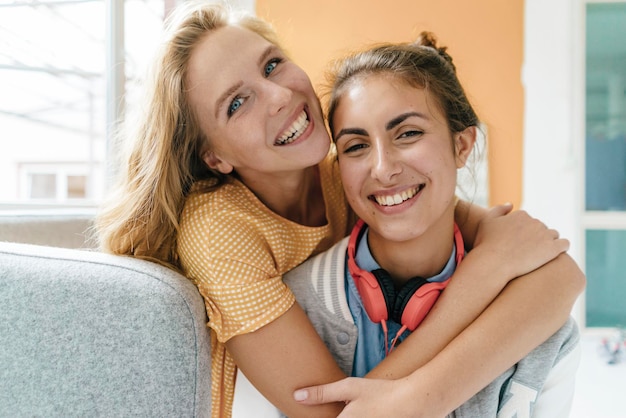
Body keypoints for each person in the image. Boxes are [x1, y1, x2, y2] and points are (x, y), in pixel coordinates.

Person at [94, 2, 585, 417]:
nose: (281, 95)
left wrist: (498, 258)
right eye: (238, 103)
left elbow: (558, 275)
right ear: (214, 157)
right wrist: (425, 391)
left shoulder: (342, 173)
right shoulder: (218, 232)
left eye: (271, 66)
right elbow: (337, 414)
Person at [286, 33, 580, 418]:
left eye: (407, 134)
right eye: (356, 146)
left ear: (462, 146)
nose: (383, 168)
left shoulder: (546, 332)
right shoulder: (296, 308)